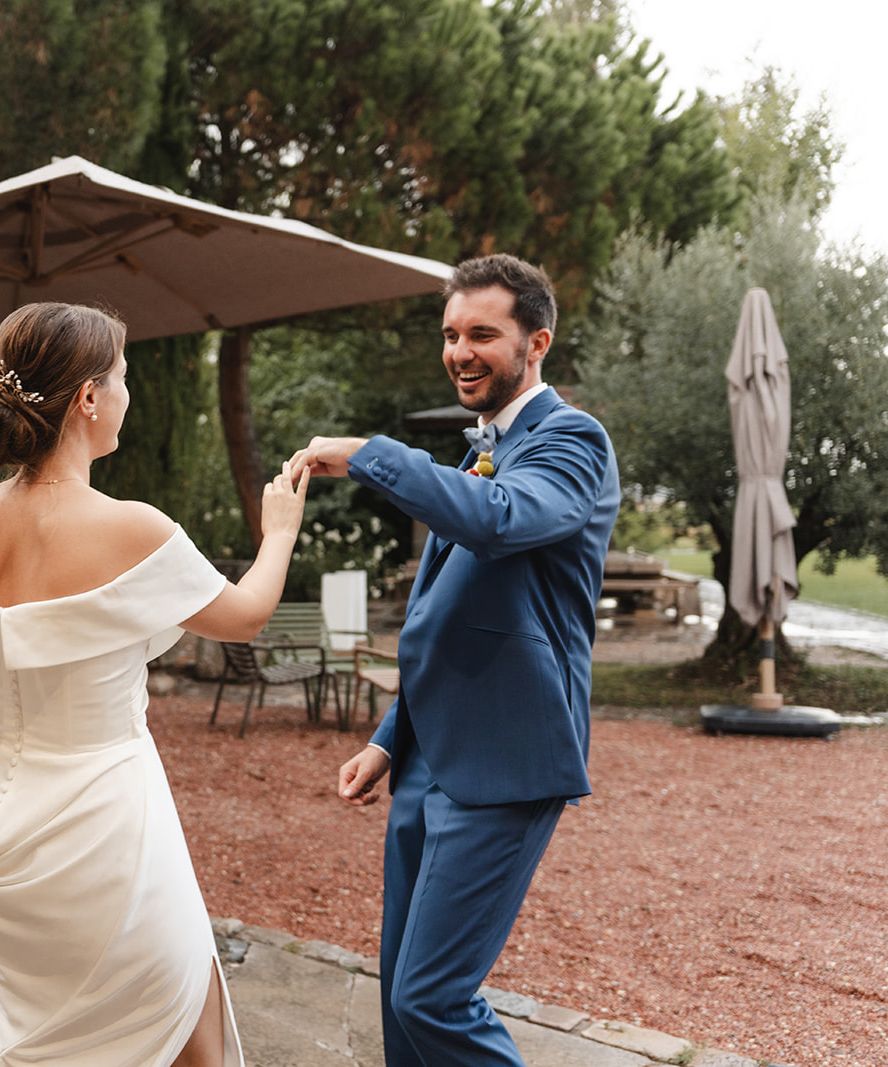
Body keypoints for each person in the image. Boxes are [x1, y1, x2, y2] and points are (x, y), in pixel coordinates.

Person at [0, 302, 310, 1067]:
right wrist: (279, 532)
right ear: (87, 397)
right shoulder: (132, 527)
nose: (128, 395)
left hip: (1, 830)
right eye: (124, 378)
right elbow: (245, 617)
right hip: (110, 821)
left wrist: (3, 696)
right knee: (189, 1027)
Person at [289, 254, 620, 1067]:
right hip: (429, 754)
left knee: (431, 997)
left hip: (507, 758)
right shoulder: (481, 451)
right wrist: (388, 738)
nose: (460, 352)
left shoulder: (572, 440)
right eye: (449, 334)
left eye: (482, 334)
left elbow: (500, 519)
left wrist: (372, 453)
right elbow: (450, 620)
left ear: (536, 343)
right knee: (400, 1000)